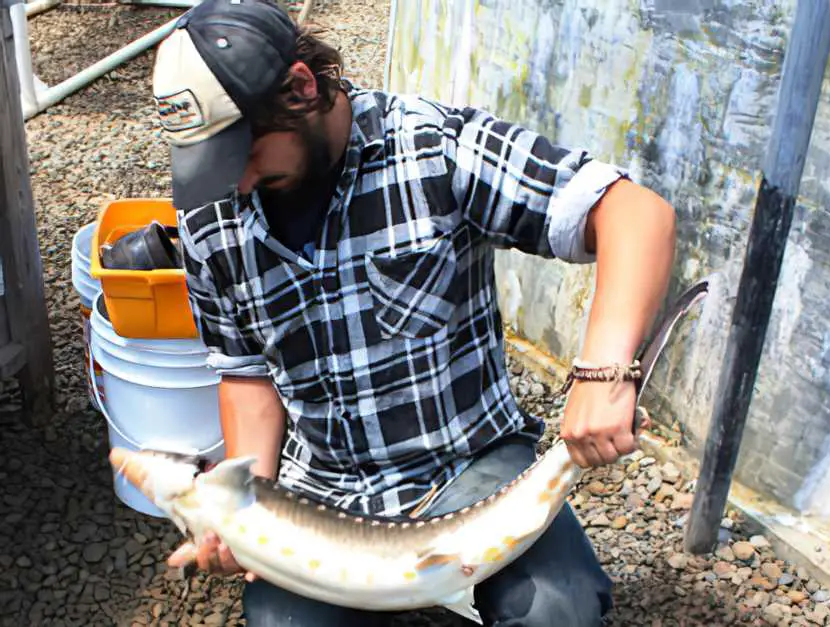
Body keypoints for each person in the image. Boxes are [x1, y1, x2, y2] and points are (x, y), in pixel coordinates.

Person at [152, 1, 676, 625]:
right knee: (279, 621)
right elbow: (245, 376)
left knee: (556, 610)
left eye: (245, 154)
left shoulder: (433, 148)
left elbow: (635, 214)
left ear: (301, 87)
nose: (234, 184)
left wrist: (603, 373)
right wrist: (245, 512)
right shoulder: (212, 217)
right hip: (325, 486)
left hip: (469, 464)